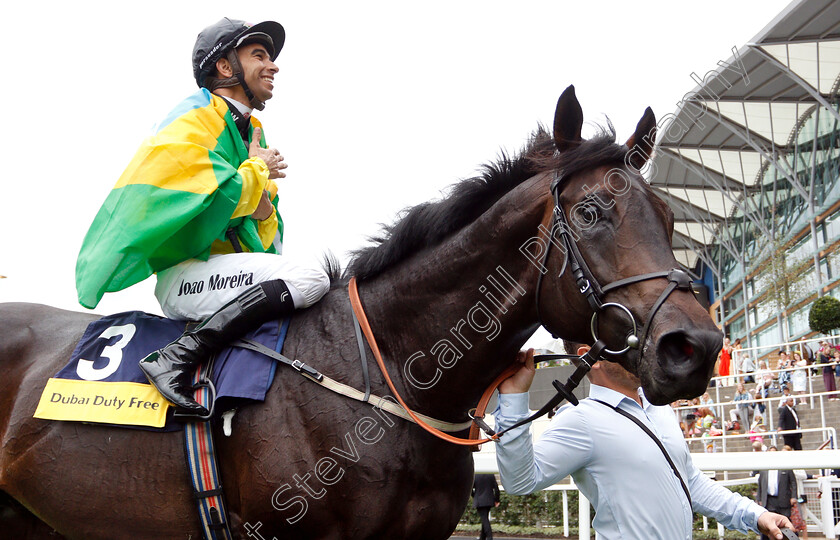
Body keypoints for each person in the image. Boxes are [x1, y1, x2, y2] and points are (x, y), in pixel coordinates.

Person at [75, 18, 331, 415]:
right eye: (259, 55)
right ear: (226, 67)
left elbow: (263, 229)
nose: (273, 65)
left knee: (306, 284)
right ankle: (175, 358)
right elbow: (211, 197)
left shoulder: (249, 134)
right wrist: (256, 172)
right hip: (184, 277)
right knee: (311, 277)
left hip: (219, 272)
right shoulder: (193, 121)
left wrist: (256, 183)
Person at [494, 347, 793, 540]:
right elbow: (520, 480)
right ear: (592, 357)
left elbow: (690, 482)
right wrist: (513, 398)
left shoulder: (659, 407)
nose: (640, 351)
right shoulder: (579, 419)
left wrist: (757, 515)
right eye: (625, 344)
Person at [756, 446, 798, 540]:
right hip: (769, 499)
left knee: (785, 524)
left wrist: (794, 496)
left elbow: (793, 483)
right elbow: (760, 485)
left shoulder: (785, 467)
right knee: (768, 524)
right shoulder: (764, 469)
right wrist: (759, 499)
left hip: (783, 499)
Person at [784, 445, 810, 539]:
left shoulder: (796, 464)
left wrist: (791, 473)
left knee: (803, 519)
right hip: (788, 497)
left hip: (799, 495)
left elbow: (804, 475)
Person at [472, 474, 501, 540]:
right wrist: (497, 499)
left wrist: (475, 496)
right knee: (485, 519)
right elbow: (496, 488)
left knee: (485, 520)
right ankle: (482, 538)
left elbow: (470, 488)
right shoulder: (490, 475)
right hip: (489, 500)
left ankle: (490, 537)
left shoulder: (475, 476)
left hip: (479, 501)